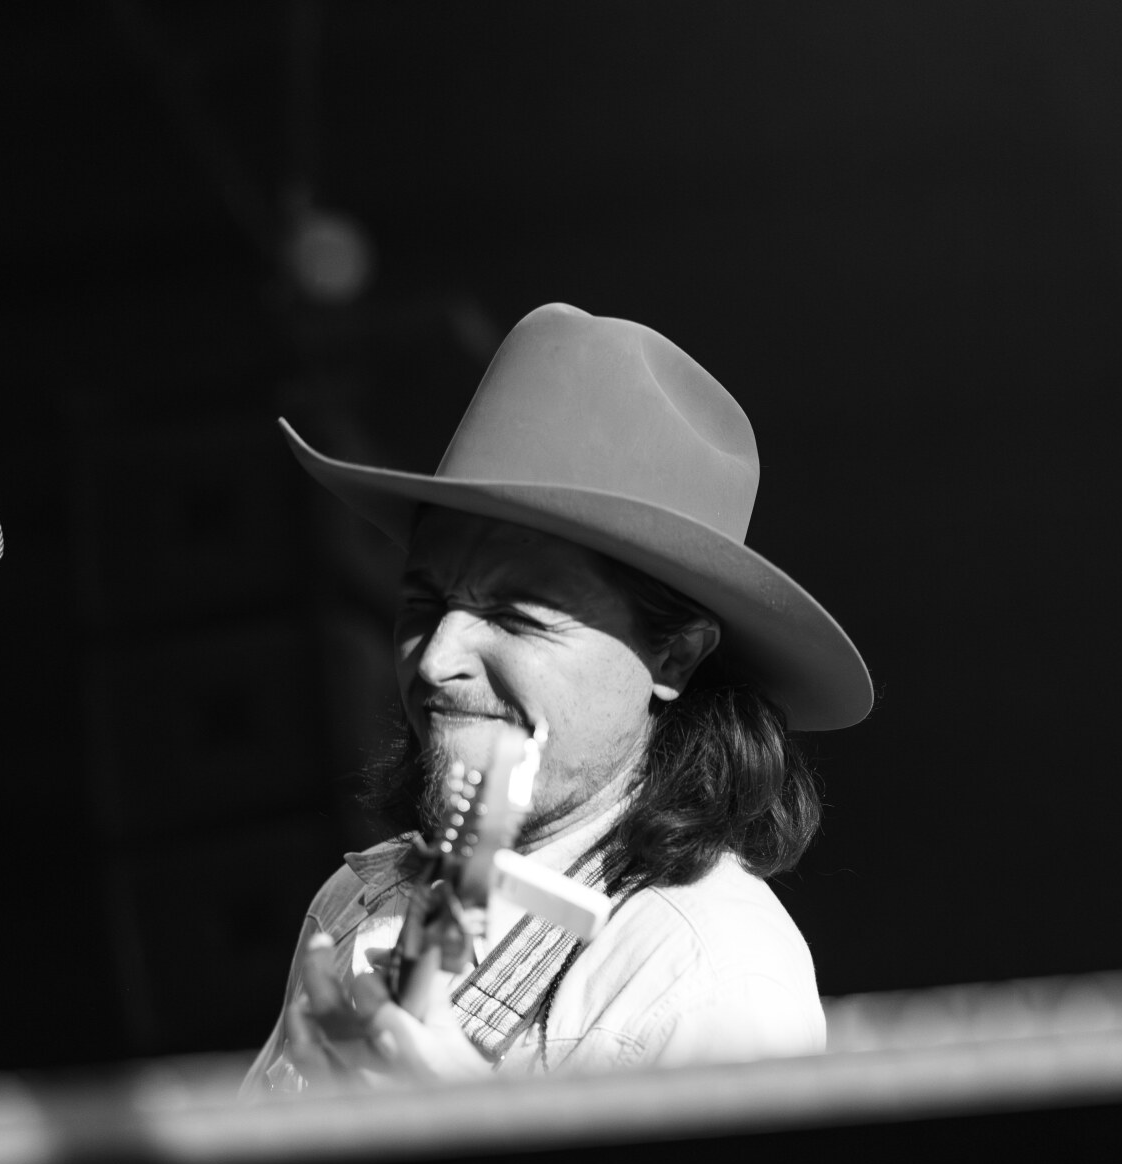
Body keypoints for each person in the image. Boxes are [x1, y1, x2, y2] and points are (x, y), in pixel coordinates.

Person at [242, 302, 872, 1093]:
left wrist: (467, 1127)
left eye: (515, 616)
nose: (436, 659)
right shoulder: (360, 901)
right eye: (424, 603)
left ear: (674, 655)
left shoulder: (710, 977)